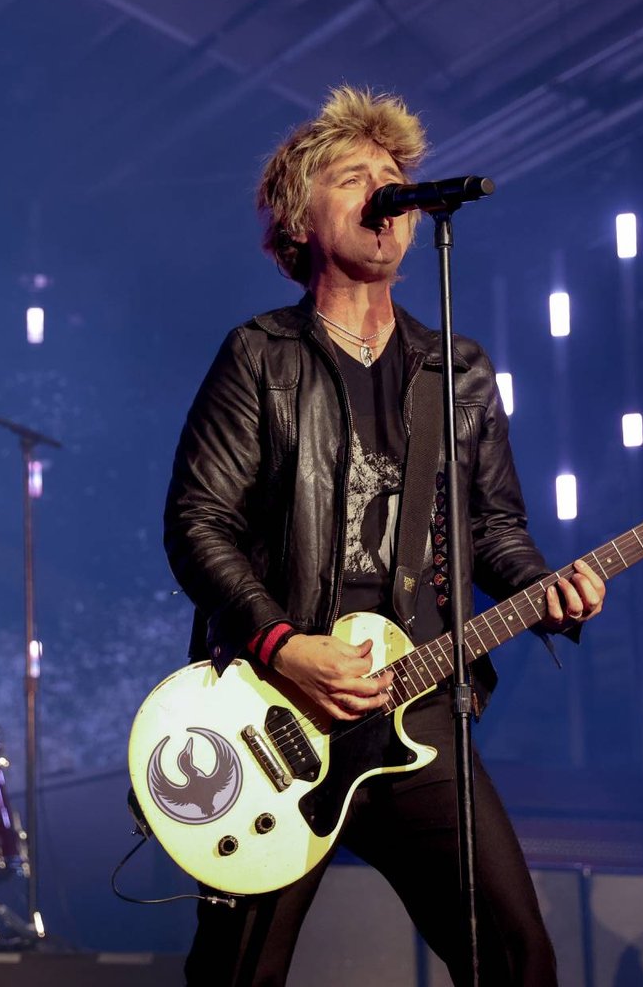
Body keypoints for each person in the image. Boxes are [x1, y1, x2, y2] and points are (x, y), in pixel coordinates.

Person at [163, 86, 607, 986]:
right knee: (236, 976)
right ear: (299, 219)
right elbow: (195, 523)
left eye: (394, 179)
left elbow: (495, 527)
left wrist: (544, 585)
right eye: (353, 178)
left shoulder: (460, 370)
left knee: (519, 960)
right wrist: (285, 647)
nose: (385, 194)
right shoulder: (260, 356)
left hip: (419, 706)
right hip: (277, 712)